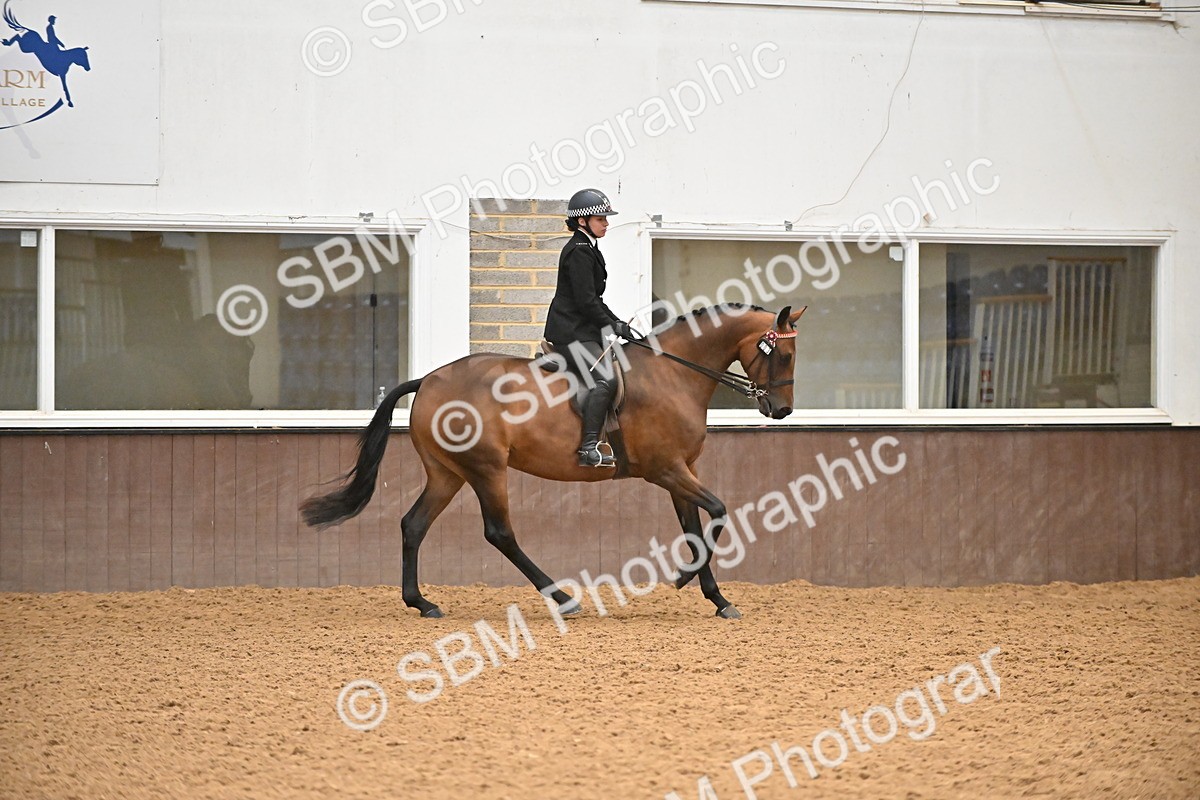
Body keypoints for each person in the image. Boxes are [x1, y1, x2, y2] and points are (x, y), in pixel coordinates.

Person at [543, 188, 640, 468]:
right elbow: (585, 302)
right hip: (570, 332)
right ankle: (588, 448)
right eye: (601, 219)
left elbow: (595, 300)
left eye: (606, 219)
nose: (607, 224)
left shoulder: (590, 248)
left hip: (582, 329)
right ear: (583, 221)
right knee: (605, 380)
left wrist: (617, 322)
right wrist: (610, 325)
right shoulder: (579, 252)